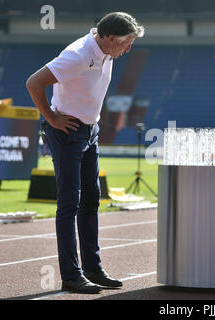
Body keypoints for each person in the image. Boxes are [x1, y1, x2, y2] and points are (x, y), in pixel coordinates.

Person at [26, 12, 145, 294]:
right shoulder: (78, 54)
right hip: (67, 131)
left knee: (91, 201)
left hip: (89, 131)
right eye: (127, 43)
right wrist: (52, 118)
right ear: (111, 38)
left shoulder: (106, 52)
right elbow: (34, 83)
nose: (128, 49)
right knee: (69, 204)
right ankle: (71, 275)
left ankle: (93, 267)